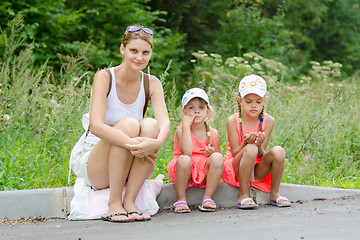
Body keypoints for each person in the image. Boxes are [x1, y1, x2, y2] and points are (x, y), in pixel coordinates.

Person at [83, 25, 170, 222]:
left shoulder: (152, 83)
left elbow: (165, 124)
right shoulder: (104, 77)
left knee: (150, 124)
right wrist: (135, 144)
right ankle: (114, 202)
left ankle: (130, 201)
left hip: (134, 161)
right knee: (130, 125)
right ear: (122, 49)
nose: (140, 57)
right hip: (99, 166)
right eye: (134, 51)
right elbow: (96, 125)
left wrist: (156, 143)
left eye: (145, 52)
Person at [222, 74, 291, 209]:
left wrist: (259, 144)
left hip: (257, 167)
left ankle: (274, 193)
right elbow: (235, 153)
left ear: (264, 100)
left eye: (258, 102)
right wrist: (246, 143)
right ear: (240, 100)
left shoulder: (268, 120)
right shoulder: (233, 120)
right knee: (250, 149)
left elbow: (261, 155)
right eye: (248, 102)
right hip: (237, 166)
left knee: (279, 151)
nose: (253, 106)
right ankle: (242, 195)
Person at [167, 88, 224, 213]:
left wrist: (211, 153)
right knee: (184, 159)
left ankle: (208, 198)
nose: (196, 111)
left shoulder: (213, 133)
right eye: (191, 108)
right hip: (184, 171)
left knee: (218, 157)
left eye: (201, 108)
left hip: (203, 171)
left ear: (207, 112)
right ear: (184, 112)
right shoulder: (181, 130)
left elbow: (218, 161)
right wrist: (186, 126)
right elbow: (186, 152)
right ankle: (180, 199)